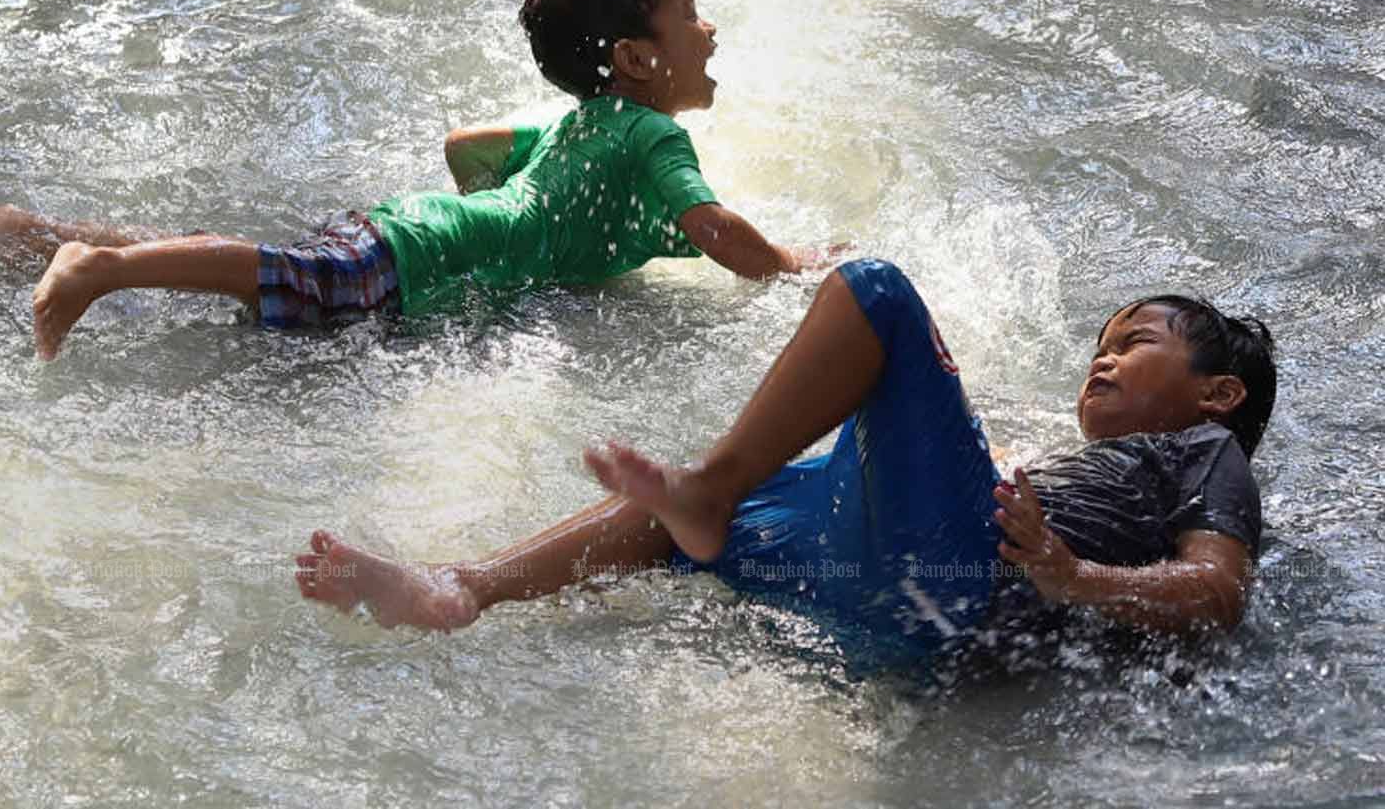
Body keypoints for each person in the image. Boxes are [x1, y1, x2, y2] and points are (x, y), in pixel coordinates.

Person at [293, 258, 1277, 667]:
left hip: (954, 589)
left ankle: (710, 495)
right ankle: (461, 584)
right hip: (869, 588)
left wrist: (1073, 575)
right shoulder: (1069, 450)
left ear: (1218, 392)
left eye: (1135, 339)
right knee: (670, 509)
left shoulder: (1201, 450)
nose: (1102, 355)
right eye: (1101, 340)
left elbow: (1220, 588)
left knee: (878, 293)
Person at [0, 0, 835, 360]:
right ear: (639, 59)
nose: (710, 28)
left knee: (265, 271)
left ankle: (56, 236)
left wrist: (510, 229)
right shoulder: (651, 134)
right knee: (286, 276)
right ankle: (98, 267)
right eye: (693, 13)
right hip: (426, 246)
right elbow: (715, 228)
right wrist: (793, 264)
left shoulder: (583, 127)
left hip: (422, 228)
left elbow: (465, 150)